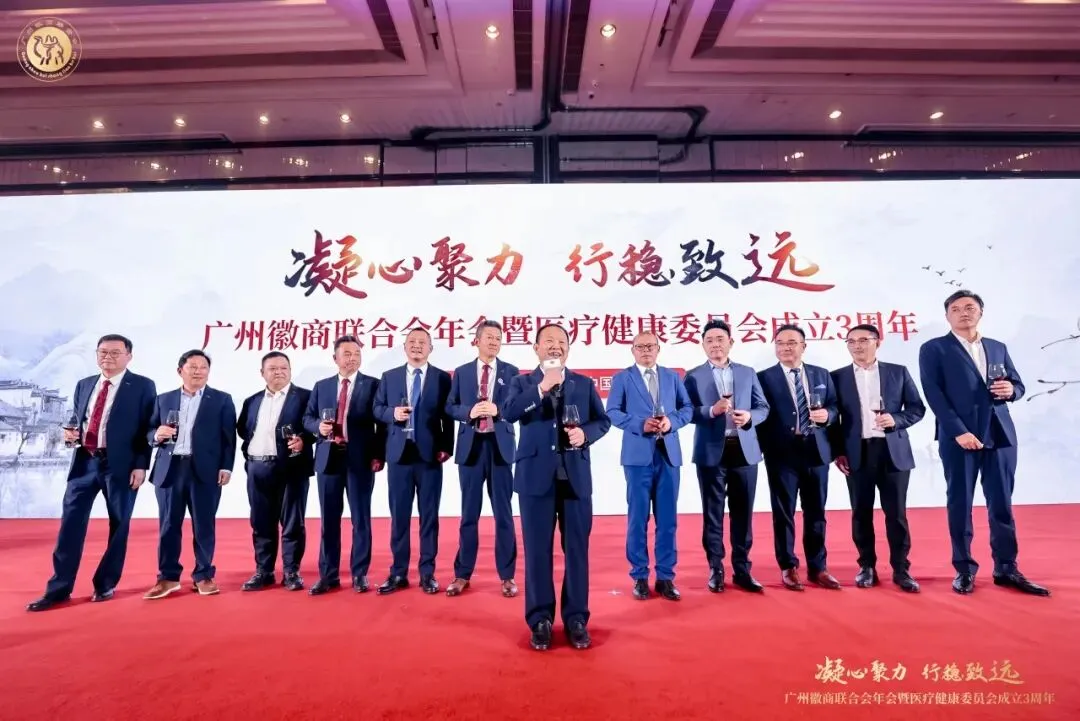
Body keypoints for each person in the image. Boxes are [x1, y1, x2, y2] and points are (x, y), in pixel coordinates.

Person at [918, 290, 1049, 597]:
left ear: (981, 312)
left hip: (1000, 434)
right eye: (956, 309)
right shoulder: (934, 348)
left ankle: (1006, 567)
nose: (964, 312)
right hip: (960, 437)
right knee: (960, 503)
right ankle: (964, 569)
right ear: (947, 315)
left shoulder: (997, 347)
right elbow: (934, 394)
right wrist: (958, 431)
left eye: (970, 307)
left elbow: (1018, 384)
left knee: (1002, 503)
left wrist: (1011, 390)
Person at [26, 334, 156, 612]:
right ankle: (59, 588)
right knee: (70, 525)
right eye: (103, 352)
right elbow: (79, 420)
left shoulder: (142, 386)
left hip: (121, 466)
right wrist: (71, 436)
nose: (108, 357)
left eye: (115, 353)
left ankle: (105, 583)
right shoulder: (84, 384)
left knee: (119, 525)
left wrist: (141, 464)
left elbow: (147, 428)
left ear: (129, 356)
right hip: (85, 462)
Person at [502, 323, 610, 651]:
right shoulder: (522, 382)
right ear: (536, 348)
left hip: (575, 478)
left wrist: (585, 434)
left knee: (576, 551)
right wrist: (542, 388)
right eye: (548, 341)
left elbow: (602, 420)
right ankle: (540, 620)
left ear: (568, 349)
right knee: (537, 552)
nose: (555, 346)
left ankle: (576, 618)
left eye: (561, 341)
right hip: (535, 478)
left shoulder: (583, 383)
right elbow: (509, 413)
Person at [831, 324, 924, 593]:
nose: (857, 346)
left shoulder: (898, 372)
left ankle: (901, 569)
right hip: (856, 452)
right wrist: (838, 451)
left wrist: (896, 419)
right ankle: (866, 566)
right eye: (851, 341)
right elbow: (834, 419)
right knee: (860, 513)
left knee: (896, 514)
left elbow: (917, 408)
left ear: (878, 342)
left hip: (892, 452)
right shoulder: (837, 377)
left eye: (864, 340)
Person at [683, 319, 770, 594]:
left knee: (743, 513)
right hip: (711, 452)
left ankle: (742, 569)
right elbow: (686, 412)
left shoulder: (747, 372)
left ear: (730, 342)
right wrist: (711, 411)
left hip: (744, 449)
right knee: (713, 513)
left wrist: (750, 417)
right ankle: (716, 569)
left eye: (720, 339)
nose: (715, 345)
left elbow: (763, 407)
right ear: (702, 345)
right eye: (709, 340)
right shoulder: (693, 376)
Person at [605, 332, 692, 601]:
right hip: (637, 458)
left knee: (668, 521)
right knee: (637, 519)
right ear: (632, 350)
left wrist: (672, 422)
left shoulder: (672, 377)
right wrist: (638, 424)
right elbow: (612, 412)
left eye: (650, 346)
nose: (646, 350)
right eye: (640, 346)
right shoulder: (622, 378)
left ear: (658, 349)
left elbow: (687, 408)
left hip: (668, 456)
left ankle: (665, 577)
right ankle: (639, 576)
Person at [143, 350, 236, 600]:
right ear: (180, 370)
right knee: (168, 525)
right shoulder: (163, 399)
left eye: (203, 367)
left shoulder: (222, 400)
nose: (198, 371)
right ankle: (167, 577)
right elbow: (148, 431)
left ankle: (203, 575)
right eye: (192, 366)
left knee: (204, 525)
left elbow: (229, 439)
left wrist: (226, 467)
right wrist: (156, 435)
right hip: (170, 469)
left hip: (205, 471)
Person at [756, 324, 841, 591]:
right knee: (784, 513)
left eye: (792, 342)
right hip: (782, 454)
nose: (786, 348)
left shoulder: (821, 374)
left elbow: (836, 407)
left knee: (816, 512)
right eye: (780, 343)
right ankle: (788, 566)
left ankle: (818, 567)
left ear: (803, 346)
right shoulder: (763, 377)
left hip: (817, 450)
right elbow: (758, 414)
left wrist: (828, 415)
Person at [373, 327, 454, 595]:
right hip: (399, 455)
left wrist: (447, 447)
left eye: (422, 342)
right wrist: (392, 413)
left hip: (429, 456)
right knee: (399, 517)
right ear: (404, 347)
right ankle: (398, 572)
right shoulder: (389, 377)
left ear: (431, 348)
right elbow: (377, 409)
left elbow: (448, 416)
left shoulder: (442, 378)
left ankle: (427, 573)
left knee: (429, 517)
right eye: (412, 342)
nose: (417, 346)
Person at [303, 335, 385, 595]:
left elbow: (382, 425)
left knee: (361, 519)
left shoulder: (373, 385)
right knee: (329, 520)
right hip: (328, 459)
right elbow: (307, 418)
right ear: (335, 358)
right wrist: (318, 426)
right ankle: (328, 575)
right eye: (347, 354)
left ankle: (360, 573)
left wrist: (378, 455)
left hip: (360, 459)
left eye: (356, 354)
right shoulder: (322, 386)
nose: (352, 358)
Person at [444, 320, 520, 598]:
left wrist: (498, 409)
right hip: (471, 448)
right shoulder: (462, 372)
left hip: (500, 448)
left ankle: (507, 576)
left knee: (504, 515)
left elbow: (516, 408)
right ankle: (462, 574)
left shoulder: (511, 372)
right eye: (489, 337)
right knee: (469, 515)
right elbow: (449, 406)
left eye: (498, 338)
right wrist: (469, 412)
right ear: (477, 340)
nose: (494, 342)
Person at [236, 351, 314, 592]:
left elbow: (315, 426)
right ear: (262, 373)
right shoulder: (252, 400)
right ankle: (264, 571)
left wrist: (303, 440)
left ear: (290, 370)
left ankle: (291, 571)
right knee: (261, 522)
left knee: (292, 523)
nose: (279, 372)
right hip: (257, 467)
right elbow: (243, 429)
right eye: (272, 368)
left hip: (291, 467)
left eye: (283, 368)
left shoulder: (306, 397)